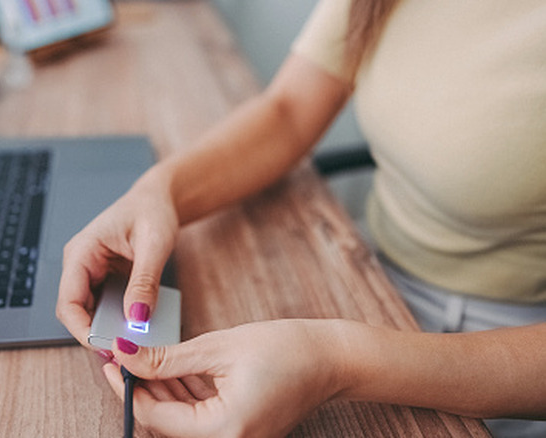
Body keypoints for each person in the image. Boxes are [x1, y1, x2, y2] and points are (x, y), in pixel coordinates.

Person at [56, 0, 546, 436]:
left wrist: (336, 361)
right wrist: (158, 193)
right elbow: (289, 109)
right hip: (373, 274)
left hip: (506, 355)